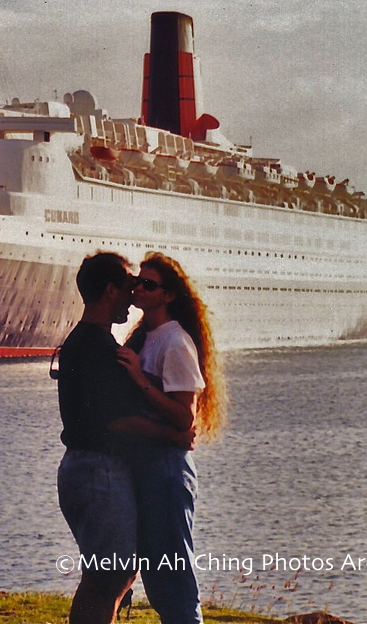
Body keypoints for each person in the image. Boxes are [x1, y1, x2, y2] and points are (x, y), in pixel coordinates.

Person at [57, 252, 194, 624]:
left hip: (82, 469)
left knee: (107, 574)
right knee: (111, 575)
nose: (133, 296)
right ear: (109, 290)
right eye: (130, 286)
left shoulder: (85, 342)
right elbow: (116, 422)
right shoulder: (99, 349)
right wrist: (173, 434)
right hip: (97, 471)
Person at [116, 252, 227, 624]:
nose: (139, 289)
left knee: (174, 582)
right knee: (157, 576)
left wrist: (139, 381)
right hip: (148, 469)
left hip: (166, 471)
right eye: (137, 282)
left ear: (168, 295)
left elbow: (184, 418)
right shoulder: (144, 337)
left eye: (149, 284)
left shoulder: (175, 342)